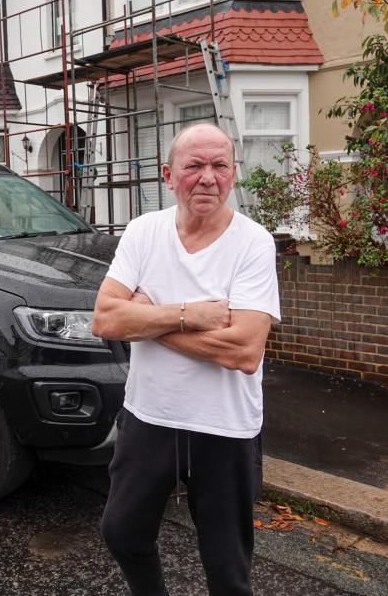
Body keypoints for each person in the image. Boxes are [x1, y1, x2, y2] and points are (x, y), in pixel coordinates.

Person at [91, 123, 280, 595]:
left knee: (227, 568)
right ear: (168, 174)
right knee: (122, 532)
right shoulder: (142, 232)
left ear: (233, 174)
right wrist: (189, 315)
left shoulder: (253, 243)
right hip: (150, 416)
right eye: (194, 166)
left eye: (219, 165)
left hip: (224, 428)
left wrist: (151, 319)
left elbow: (243, 351)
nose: (207, 177)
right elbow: (106, 320)